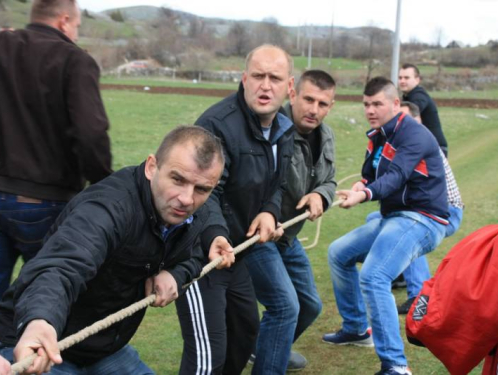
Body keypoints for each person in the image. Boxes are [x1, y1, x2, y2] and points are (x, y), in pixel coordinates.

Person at [0, 126, 232, 375]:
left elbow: (195, 253)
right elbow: (62, 265)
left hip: (105, 349)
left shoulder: (194, 214)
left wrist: (177, 274)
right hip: (39, 345)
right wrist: (39, 321)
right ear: (152, 167)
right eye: (178, 179)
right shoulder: (108, 208)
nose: (186, 198)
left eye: (201, 189)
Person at [175, 44, 295, 375]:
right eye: (257, 76)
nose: (265, 85)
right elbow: (204, 192)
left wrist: (270, 211)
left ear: (289, 86)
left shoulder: (283, 125)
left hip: (237, 251)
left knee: (244, 333)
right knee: (207, 355)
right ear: (244, 79)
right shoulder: (217, 125)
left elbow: (278, 182)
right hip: (200, 254)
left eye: (275, 78)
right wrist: (214, 233)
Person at [323, 77, 448, 375]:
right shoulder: (378, 135)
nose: (370, 109)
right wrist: (362, 184)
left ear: (395, 104)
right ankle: (355, 329)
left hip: (422, 219)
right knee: (338, 252)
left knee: (375, 275)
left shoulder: (414, 135)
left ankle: (396, 365)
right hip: (394, 217)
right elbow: (373, 175)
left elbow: (397, 176)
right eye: (366, 104)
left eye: (377, 103)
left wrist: (365, 194)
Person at [0, 0, 112, 301]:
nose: (75, 32)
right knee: (49, 298)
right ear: (64, 21)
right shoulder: (74, 60)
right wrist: (104, 184)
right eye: (76, 26)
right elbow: (91, 133)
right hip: (46, 200)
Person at [243, 70, 336, 374]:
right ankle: (270, 361)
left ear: (330, 106)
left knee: (310, 306)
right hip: (259, 236)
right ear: (293, 93)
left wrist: (321, 195)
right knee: (285, 307)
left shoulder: (327, 136)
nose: (314, 109)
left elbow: (330, 181)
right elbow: (257, 187)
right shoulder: (270, 132)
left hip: (288, 238)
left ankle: (264, 349)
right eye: (308, 99)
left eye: (322, 104)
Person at [394, 101, 464, 314]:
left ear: (418, 121)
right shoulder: (407, 144)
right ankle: (397, 274)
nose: (400, 125)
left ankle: (419, 296)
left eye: (405, 120)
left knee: (412, 229)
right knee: (375, 219)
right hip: (428, 209)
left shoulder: (421, 144)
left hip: (447, 211)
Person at [398, 63, 448, 156]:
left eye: (406, 78)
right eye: (400, 78)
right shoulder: (408, 96)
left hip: (434, 149)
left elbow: (413, 109)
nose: (402, 81)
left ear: (417, 80)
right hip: (423, 146)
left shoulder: (419, 95)